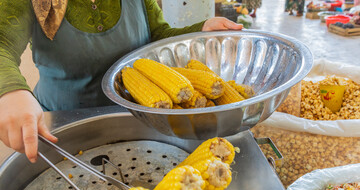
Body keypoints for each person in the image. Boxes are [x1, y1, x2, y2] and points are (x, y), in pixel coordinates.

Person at [0, 0, 243, 163]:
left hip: (140, 122)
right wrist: (10, 92)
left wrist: (200, 30)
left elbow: (156, 35)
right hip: (63, 132)